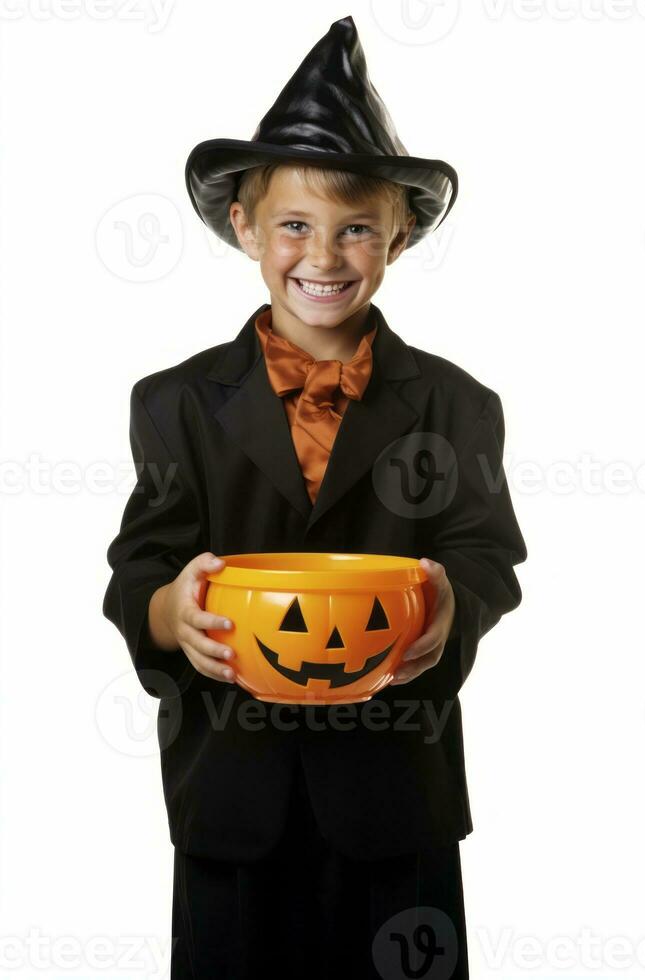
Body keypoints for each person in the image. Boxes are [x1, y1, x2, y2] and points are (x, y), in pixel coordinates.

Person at [102, 15, 528, 980]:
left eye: (355, 230)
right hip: (231, 800)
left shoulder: (458, 406)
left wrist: (455, 598)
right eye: (294, 225)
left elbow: (486, 553)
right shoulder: (173, 403)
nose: (323, 257)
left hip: (397, 801)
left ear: (398, 236)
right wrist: (171, 612)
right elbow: (140, 564)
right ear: (245, 226)